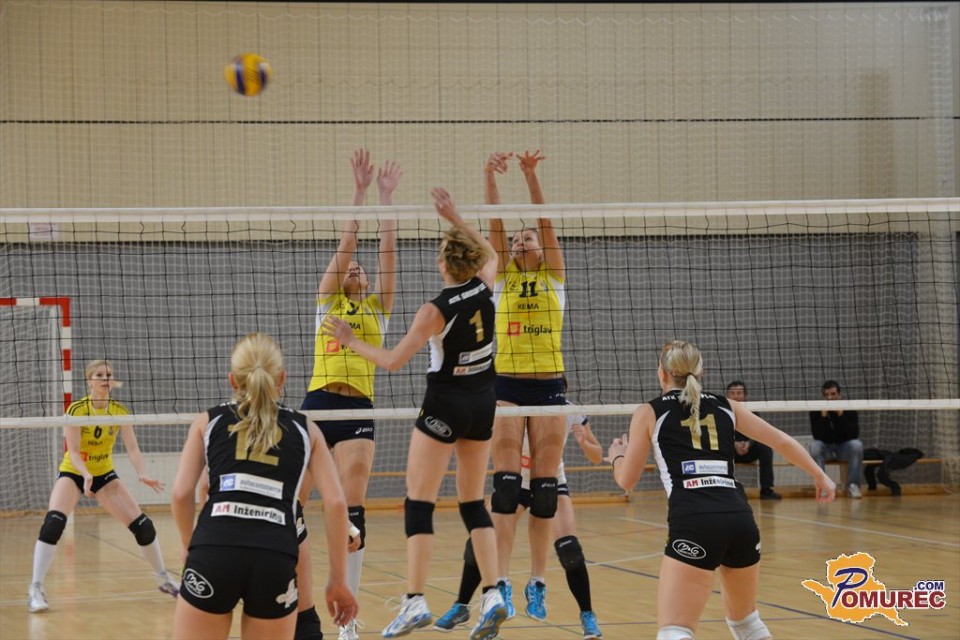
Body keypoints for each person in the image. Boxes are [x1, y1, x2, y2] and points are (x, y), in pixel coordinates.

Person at [323, 187, 507, 640]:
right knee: (472, 501)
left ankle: (414, 601)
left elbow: (391, 361)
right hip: (484, 402)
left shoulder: (434, 311)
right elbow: (491, 254)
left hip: (446, 404)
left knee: (419, 502)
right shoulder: (486, 287)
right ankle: (494, 592)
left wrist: (350, 341)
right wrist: (454, 215)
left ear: (444, 263)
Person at [606, 340, 835, 640]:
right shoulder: (728, 406)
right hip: (740, 519)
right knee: (747, 624)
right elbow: (780, 440)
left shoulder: (649, 412)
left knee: (675, 630)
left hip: (695, 521)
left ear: (661, 373)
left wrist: (617, 457)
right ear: (701, 371)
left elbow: (627, 480)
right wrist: (821, 476)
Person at [171, 333, 357, 640]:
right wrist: (338, 580)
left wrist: (189, 544)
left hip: (215, 548)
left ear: (233, 380)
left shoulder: (208, 421)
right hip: (275, 556)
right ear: (282, 378)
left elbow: (181, 494)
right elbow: (336, 504)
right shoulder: (307, 429)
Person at [301, 148, 401, 640]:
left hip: (358, 408)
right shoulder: (327, 302)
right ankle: (295, 603)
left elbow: (387, 254)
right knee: (292, 504)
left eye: (361, 270)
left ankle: (348, 621)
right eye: (351, 268)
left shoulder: (379, 308)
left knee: (353, 512)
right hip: (318, 406)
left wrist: (386, 199)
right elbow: (347, 244)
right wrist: (359, 193)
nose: (356, 270)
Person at [434, 403, 604, 639]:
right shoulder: (507, 405)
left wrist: (585, 443)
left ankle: (587, 615)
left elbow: (597, 455)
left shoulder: (567, 410)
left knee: (570, 550)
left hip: (551, 484)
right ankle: (462, 606)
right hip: (515, 485)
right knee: (478, 541)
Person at [485, 149, 568, 618]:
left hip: (549, 387)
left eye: (527, 238)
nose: (519, 243)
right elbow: (495, 225)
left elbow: (546, 221)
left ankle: (537, 581)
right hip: (507, 387)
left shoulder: (554, 276)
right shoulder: (503, 278)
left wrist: (531, 176)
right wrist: (489, 176)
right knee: (504, 489)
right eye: (515, 241)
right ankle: (500, 583)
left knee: (544, 493)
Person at [27, 359, 178, 613]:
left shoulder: (119, 411)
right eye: (99, 375)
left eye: (108, 374)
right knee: (53, 524)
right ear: (89, 381)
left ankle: (163, 579)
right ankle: (36, 588)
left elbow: (132, 447)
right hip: (74, 472)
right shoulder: (77, 410)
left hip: (104, 474)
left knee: (144, 527)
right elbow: (74, 451)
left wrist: (142, 473)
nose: (105, 379)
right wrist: (86, 474)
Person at [725, 381, 781, 500]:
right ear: (727, 396)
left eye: (739, 393)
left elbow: (760, 432)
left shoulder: (753, 411)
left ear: (745, 395)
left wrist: (749, 444)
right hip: (730, 451)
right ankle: (724, 490)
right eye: (732, 393)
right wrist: (734, 444)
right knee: (717, 448)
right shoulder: (723, 412)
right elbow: (719, 435)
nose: (736, 396)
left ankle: (766, 490)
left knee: (766, 448)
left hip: (749, 450)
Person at [809, 380, 864, 499]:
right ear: (823, 396)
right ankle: (823, 486)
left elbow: (853, 434)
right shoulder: (816, 410)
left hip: (843, 449)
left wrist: (841, 415)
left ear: (839, 394)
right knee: (814, 446)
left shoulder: (849, 408)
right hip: (826, 450)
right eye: (827, 395)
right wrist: (823, 417)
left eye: (833, 394)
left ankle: (853, 486)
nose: (830, 398)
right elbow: (817, 435)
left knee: (856, 445)